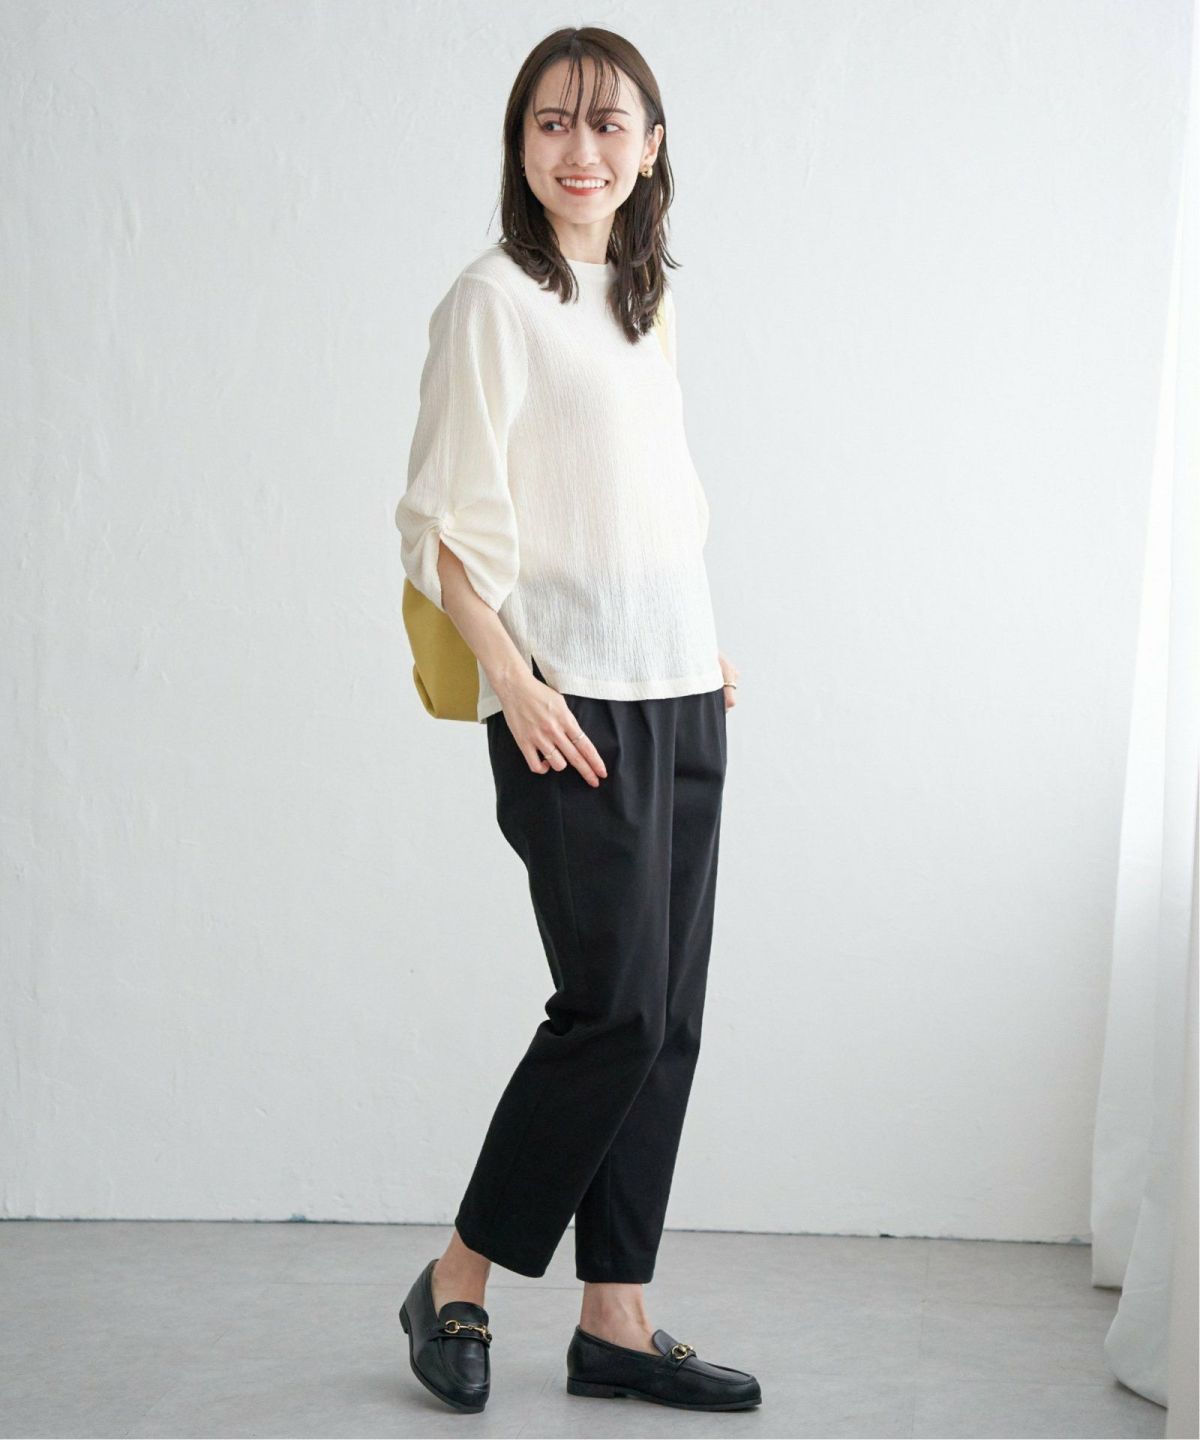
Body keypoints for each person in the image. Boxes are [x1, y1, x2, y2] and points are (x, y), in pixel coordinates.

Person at [394, 25, 761, 1415]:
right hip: (565, 698)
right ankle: (458, 1277)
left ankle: (616, 1318)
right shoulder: (493, 301)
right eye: (553, 122)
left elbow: (644, 492)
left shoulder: (644, 300)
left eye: (609, 124)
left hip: (678, 686)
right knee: (612, 1009)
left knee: (665, 1019)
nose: (581, 148)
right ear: (520, 145)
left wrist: (696, 643)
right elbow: (441, 525)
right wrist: (517, 680)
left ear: (652, 149)